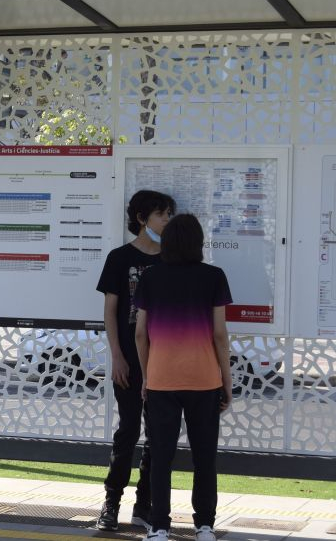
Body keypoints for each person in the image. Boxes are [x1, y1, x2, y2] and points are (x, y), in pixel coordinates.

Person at [134, 213, 233, 541]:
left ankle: (159, 527)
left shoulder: (150, 277)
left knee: (161, 456)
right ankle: (204, 526)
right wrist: (227, 383)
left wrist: (148, 376)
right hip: (205, 380)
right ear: (198, 243)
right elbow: (219, 335)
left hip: (162, 380)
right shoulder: (214, 277)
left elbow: (140, 335)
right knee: (205, 456)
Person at [95, 190, 176, 531]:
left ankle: (144, 504)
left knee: (158, 435)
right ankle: (111, 502)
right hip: (128, 358)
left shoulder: (173, 259)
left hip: (163, 360)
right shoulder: (119, 257)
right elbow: (110, 311)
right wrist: (116, 356)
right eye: (162, 215)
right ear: (143, 218)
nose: (167, 222)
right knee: (127, 430)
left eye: (170, 216)